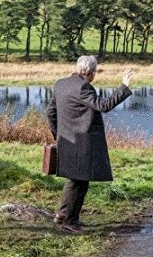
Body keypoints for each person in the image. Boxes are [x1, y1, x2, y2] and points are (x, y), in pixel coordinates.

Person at [46, 55, 133, 233]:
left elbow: (50, 113)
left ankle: (62, 214)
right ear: (92, 73)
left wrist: (59, 135)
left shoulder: (60, 84)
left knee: (74, 178)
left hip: (67, 141)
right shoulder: (84, 87)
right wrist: (124, 87)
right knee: (80, 182)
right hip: (82, 143)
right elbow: (104, 105)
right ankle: (70, 222)